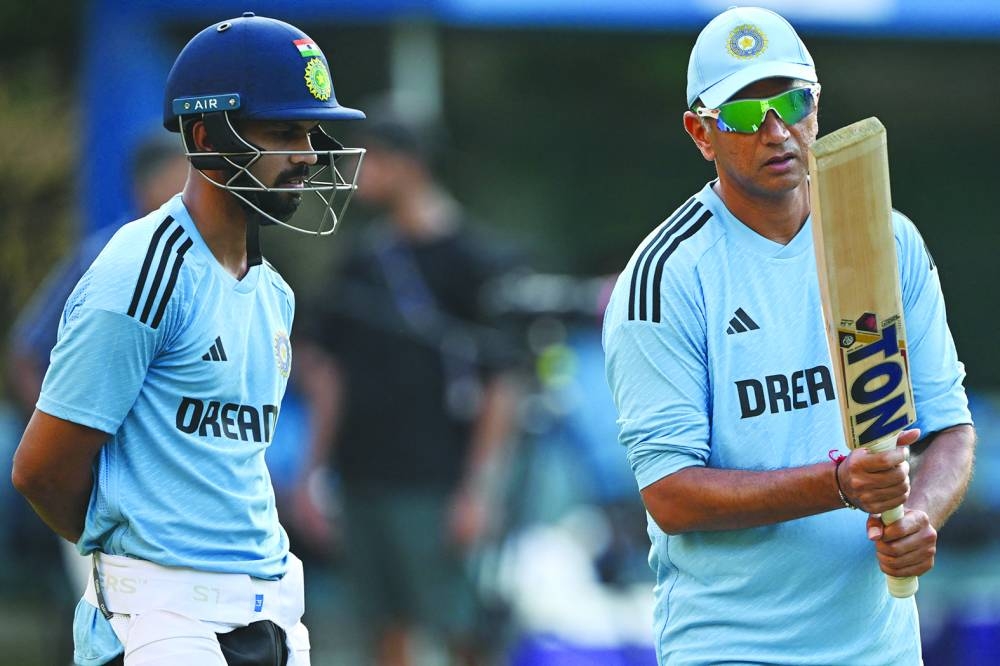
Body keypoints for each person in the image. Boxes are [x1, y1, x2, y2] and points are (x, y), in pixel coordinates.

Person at [602, 6, 976, 665]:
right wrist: (836, 483)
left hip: (878, 648)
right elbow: (670, 494)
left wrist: (920, 515)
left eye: (791, 101)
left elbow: (949, 430)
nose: (776, 130)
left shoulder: (885, 240)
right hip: (731, 648)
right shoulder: (666, 275)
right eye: (745, 114)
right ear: (701, 133)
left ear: (817, 106)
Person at [11, 12, 365, 666]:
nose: (310, 156)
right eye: (284, 132)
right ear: (204, 135)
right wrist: (138, 562)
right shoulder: (146, 268)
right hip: (163, 621)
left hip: (271, 611)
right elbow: (41, 471)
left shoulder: (273, 292)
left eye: (312, 133)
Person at [291, 103, 523, 666]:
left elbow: (503, 385)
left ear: (410, 165)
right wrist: (313, 472)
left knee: (460, 627)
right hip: (362, 475)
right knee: (383, 626)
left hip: (437, 482)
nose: (361, 173)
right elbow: (328, 373)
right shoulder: (362, 259)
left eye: (374, 160)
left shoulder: (475, 259)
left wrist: (478, 490)